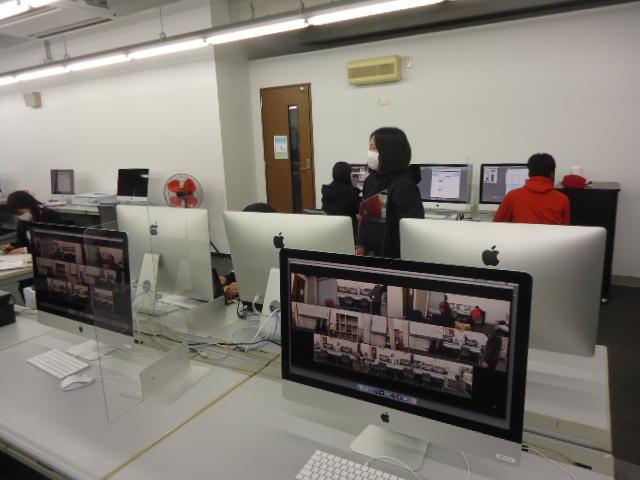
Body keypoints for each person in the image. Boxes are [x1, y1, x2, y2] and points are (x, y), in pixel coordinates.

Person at [357, 127, 425, 258]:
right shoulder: (370, 181)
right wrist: (361, 244)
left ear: (389, 152)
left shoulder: (404, 186)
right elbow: (365, 218)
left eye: (374, 148)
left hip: (394, 259)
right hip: (371, 257)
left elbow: (412, 233)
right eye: (370, 148)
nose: (370, 153)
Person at [494, 153, 571, 225]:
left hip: (520, 235)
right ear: (552, 174)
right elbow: (566, 229)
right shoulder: (563, 199)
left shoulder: (513, 195)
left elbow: (497, 225)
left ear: (529, 173)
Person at [2, 191, 63, 255]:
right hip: (28, 257)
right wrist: (13, 246)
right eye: (17, 215)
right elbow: (22, 242)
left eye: (21, 213)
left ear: (30, 206)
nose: (20, 217)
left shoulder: (50, 216)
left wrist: (27, 250)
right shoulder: (23, 221)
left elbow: (55, 244)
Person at [321, 161, 361, 239]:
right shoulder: (350, 192)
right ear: (348, 175)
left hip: (329, 232)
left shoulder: (326, 190)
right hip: (348, 233)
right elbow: (360, 209)